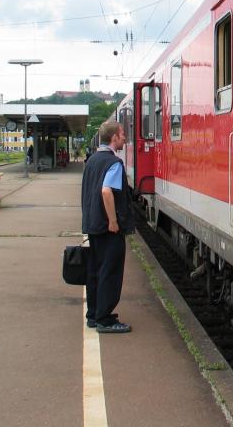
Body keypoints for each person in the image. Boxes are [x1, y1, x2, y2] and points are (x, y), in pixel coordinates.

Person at [81, 120, 134, 333]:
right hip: (108, 228)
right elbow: (106, 191)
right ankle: (105, 319)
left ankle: (94, 315)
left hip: (93, 225)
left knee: (94, 271)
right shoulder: (113, 163)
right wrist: (113, 221)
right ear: (114, 137)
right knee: (109, 272)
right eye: (122, 134)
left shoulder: (92, 160)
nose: (124, 137)